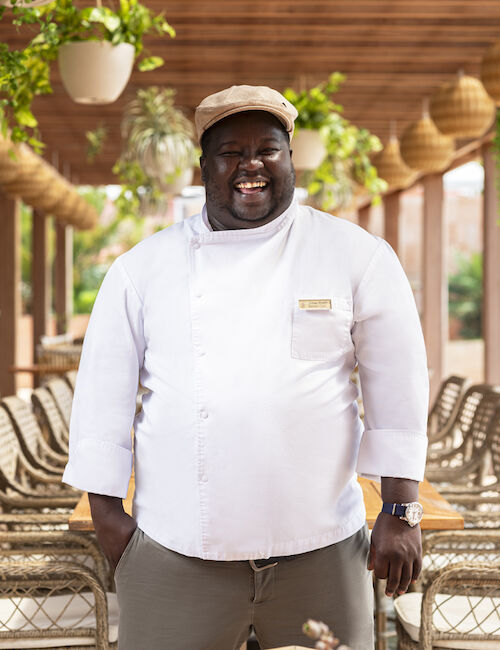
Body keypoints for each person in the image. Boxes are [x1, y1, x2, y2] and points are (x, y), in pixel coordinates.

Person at [63, 85, 429, 650]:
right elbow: (100, 403)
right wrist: (112, 525)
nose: (250, 165)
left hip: (323, 549)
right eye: (231, 152)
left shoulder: (356, 255)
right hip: (175, 551)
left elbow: (397, 386)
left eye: (268, 150)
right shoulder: (142, 269)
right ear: (204, 167)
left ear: (289, 159)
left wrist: (402, 511)